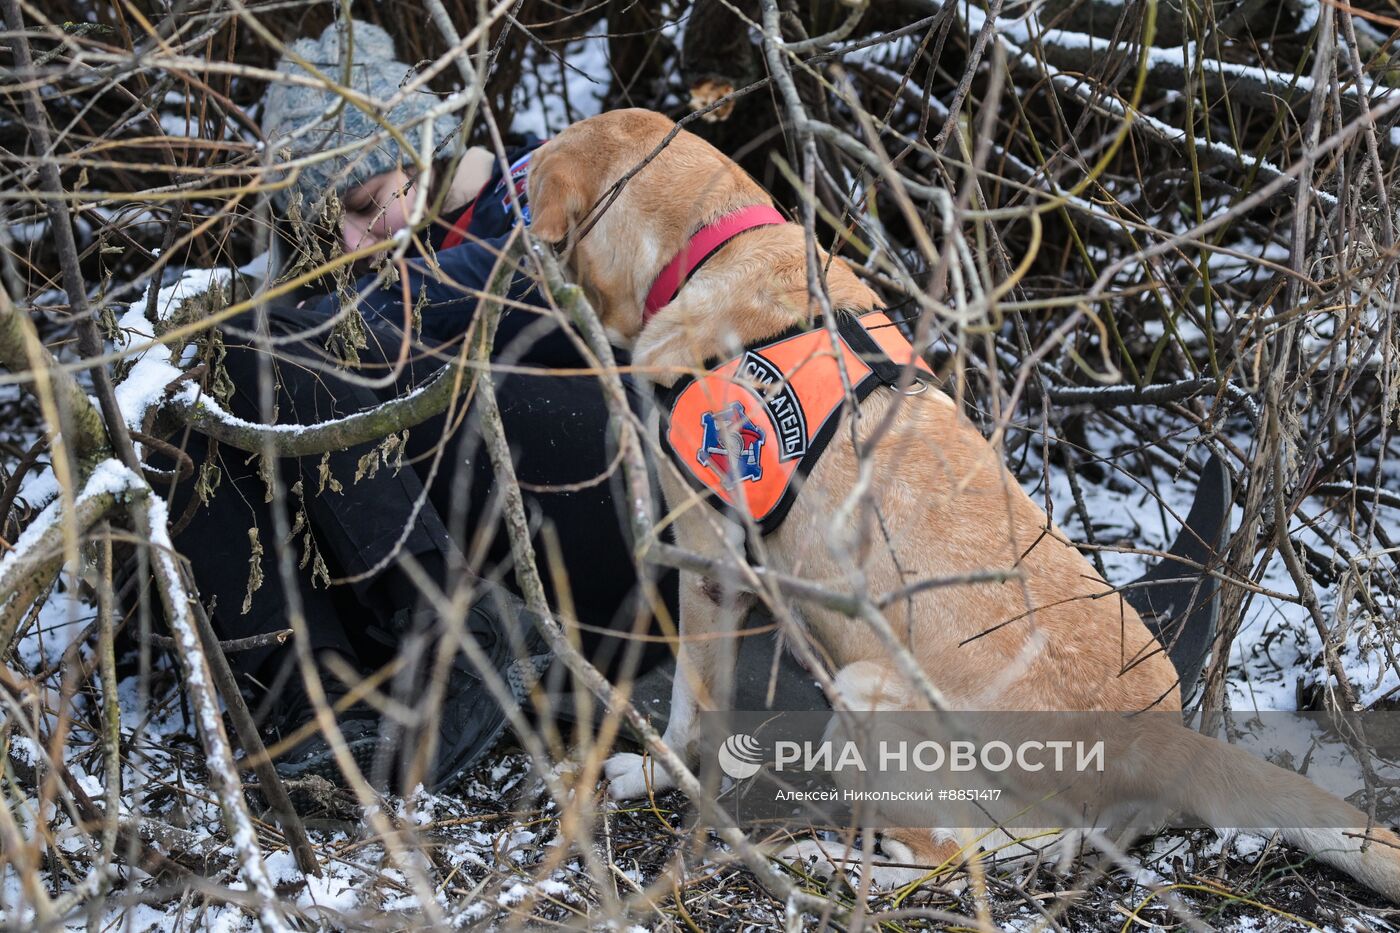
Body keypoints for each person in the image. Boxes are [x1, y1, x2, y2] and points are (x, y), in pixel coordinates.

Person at [168, 20, 672, 794]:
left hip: (623, 498)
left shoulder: (526, 198)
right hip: (538, 579)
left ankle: (453, 634)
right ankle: (316, 724)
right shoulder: (324, 301)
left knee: (267, 344)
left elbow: (575, 293)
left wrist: (403, 294)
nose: (389, 222)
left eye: (395, 188)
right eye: (356, 209)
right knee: (213, 404)